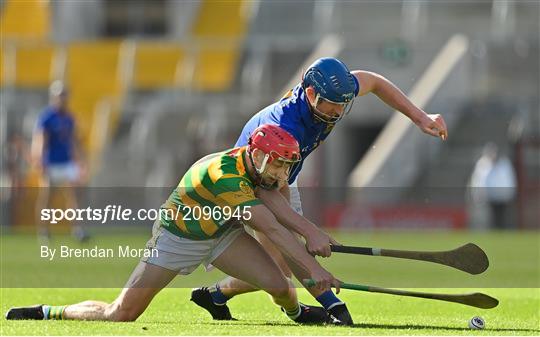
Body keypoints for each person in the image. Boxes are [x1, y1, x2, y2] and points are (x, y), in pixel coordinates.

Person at [191, 57, 449, 325]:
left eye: (344, 104)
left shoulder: (335, 90)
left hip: (280, 175)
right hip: (254, 178)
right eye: (334, 104)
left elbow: (373, 82)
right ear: (312, 95)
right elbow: (270, 194)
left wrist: (420, 117)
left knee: (278, 265)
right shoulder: (285, 125)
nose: (339, 110)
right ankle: (330, 306)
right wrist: (309, 234)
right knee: (285, 253)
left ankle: (216, 295)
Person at [6, 124, 342, 324]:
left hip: (221, 233)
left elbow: (278, 209)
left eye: (287, 166)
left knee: (281, 287)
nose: (283, 175)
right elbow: (271, 227)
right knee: (121, 313)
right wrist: (315, 269)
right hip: (177, 236)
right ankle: (48, 312)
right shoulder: (225, 176)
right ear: (258, 154)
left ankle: (297, 314)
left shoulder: (255, 167)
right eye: (279, 165)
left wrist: (312, 234)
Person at [31, 80, 89, 243]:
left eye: (65, 95)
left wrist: (81, 160)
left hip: (67, 163)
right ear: (54, 97)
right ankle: (44, 232)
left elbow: (73, 140)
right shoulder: (47, 117)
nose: (63, 98)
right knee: (47, 197)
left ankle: (78, 230)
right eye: (60, 95)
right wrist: (40, 159)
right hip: (52, 163)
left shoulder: (69, 117)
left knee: (75, 195)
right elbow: (41, 139)